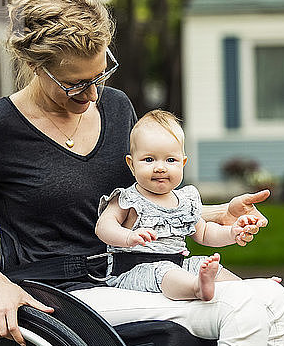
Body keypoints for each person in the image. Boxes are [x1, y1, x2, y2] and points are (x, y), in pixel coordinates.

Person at [0, 0, 284, 346]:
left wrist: (218, 214)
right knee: (248, 308)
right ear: (35, 65)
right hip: (61, 298)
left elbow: (143, 200)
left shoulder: (116, 108)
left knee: (275, 301)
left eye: (100, 75)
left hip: (133, 274)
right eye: (74, 84)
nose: (92, 94)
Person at [96, 109, 262, 301]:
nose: (160, 167)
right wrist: (128, 237)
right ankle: (197, 288)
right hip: (133, 269)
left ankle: (250, 292)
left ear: (182, 163)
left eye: (170, 160)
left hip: (177, 264)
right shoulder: (127, 199)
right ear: (132, 165)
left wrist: (232, 232)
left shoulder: (185, 201)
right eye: (149, 159)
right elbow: (103, 227)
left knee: (201, 265)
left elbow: (205, 233)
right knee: (165, 271)